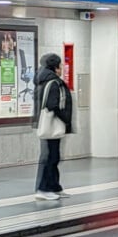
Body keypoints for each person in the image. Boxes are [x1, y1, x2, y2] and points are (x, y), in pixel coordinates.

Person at [33, 53, 73, 201]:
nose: (62, 68)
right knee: (50, 158)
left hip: (50, 125)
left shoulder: (44, 81)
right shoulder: (53, 82)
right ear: (55, 67)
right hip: (52, 125)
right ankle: (43, 188)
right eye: (60, 65)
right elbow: (52, 105)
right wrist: (65, 119)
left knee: (53, 157)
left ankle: (54, 186)